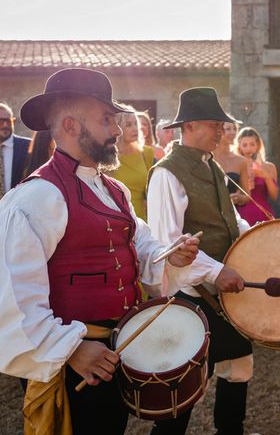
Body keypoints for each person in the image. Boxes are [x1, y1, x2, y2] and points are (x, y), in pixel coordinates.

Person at [0, 68, 200, 435]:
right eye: (107, 119)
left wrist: (168, 255)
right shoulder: (35, 198)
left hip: (112, 352)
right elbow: (11, 297)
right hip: (70, 360)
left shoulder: (114, 189)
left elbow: (138, 242)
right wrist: (72, 350)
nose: (118, 130)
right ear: (72, 126)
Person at [147, 87, 253, 435]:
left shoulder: (213, 166)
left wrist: (257, 239)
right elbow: (168, 245)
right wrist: (216, 270)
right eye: (214, 125)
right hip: (190, 297)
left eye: (222, 125)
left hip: (224, 293)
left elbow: (229, 219)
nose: (221, 132)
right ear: (189, 125)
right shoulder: (167, 173)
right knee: (183, 389)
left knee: (238, 368)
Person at [107, 107, 155, 221]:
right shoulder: (107, 156)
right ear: (118, 127)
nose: (135, 129)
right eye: (128, 125)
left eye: (135, 124)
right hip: (116, 220)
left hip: (143, 221)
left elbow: (151, 192)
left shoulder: (147, 153)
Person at [235, 127, 278, 225]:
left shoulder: (269, 166)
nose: (248, 148)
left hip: (263, 214)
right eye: (245, 145)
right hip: (242, 215)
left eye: (252, 144)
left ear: (258, 145)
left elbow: (274, 196)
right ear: (239, 146)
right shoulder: (235, 166)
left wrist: (266, 176)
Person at [213, 121, 251, 208]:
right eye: (228, 129)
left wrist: (239, 198)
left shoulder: (241, 161)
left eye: (235, 128)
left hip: (232, 214)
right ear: (217, 131)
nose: (233, 132)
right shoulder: (206, 157)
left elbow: (247, 195)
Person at [0, 102, 30, 198]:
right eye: (0, 121)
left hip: (19, 209)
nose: (5, 125)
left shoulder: (29, 147)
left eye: (9, 121)